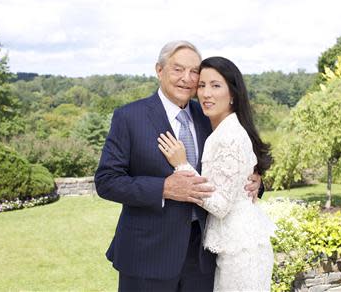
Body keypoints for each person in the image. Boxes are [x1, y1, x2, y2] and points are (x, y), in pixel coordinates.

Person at [94, 41, 263, 292]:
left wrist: (256, 182)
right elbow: (106, 181)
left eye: (194, 71)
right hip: (147, 257)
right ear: (159, 70)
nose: (187, 78)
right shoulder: (129, 117)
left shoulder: (209, 116)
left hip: (202, 258)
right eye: (177, 69)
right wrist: (163, 188)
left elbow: (235, 165)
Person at [158, 56, 277, 291]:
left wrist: (182, 165)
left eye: (215, 85)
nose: (206, 93)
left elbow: (221, 206)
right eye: (201, 85)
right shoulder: (219, 127)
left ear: (233, 94)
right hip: (232, 249)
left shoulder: (230, 135)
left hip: (242, 253)